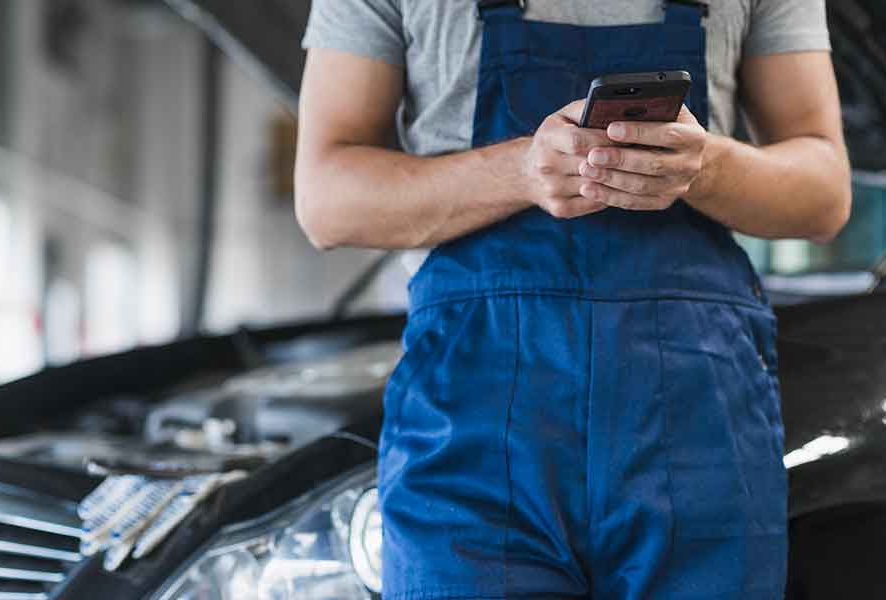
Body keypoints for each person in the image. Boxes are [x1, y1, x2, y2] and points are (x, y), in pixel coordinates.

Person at [296, 1, 850, 598]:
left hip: (697, 430)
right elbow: (325, 200)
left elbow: (824, 195)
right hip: (473, 432)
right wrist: (519, 172)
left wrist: (707, 166)